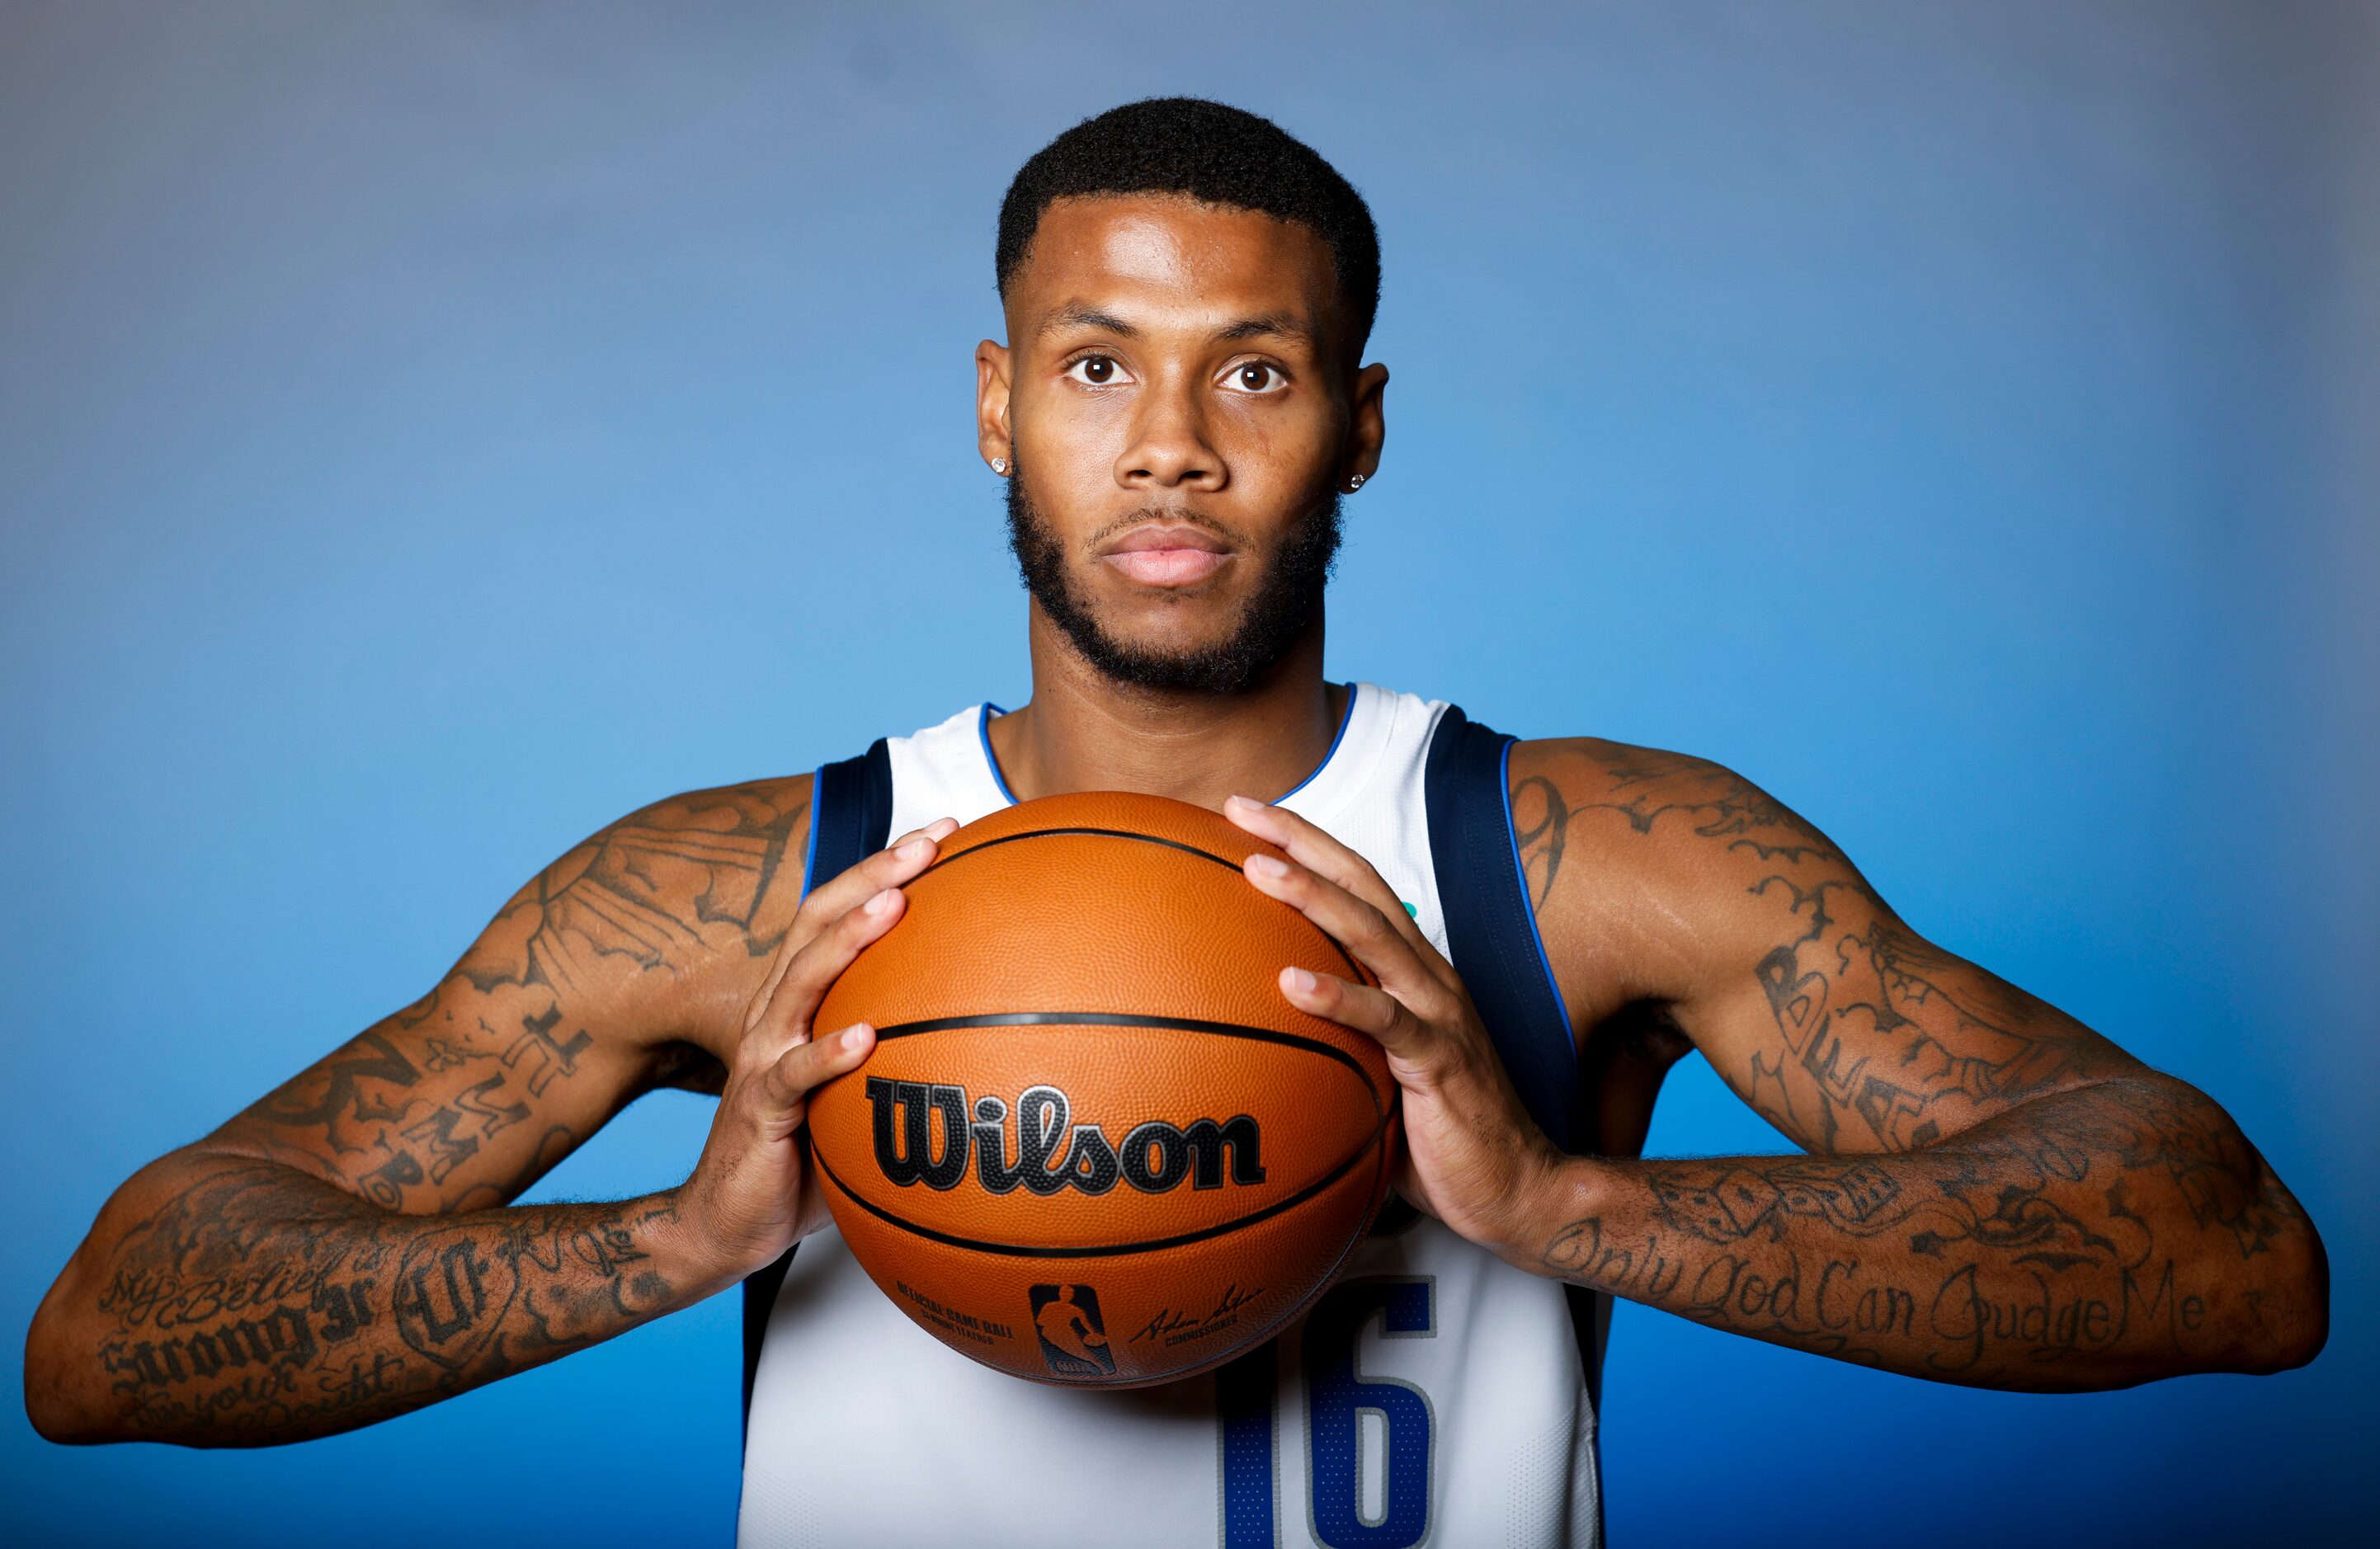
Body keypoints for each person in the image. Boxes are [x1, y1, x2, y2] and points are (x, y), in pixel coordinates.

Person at [23, 97, 2326, 1547]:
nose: (1175, 445)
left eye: (1258, 366)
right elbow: (113, 1335)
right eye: (1100, 364)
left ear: (1362, 424)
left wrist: (1561, 1204)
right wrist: (676, 1242)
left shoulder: (1590, 860)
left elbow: (2233, 1258)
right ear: (1000, 405)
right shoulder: (747, 894)